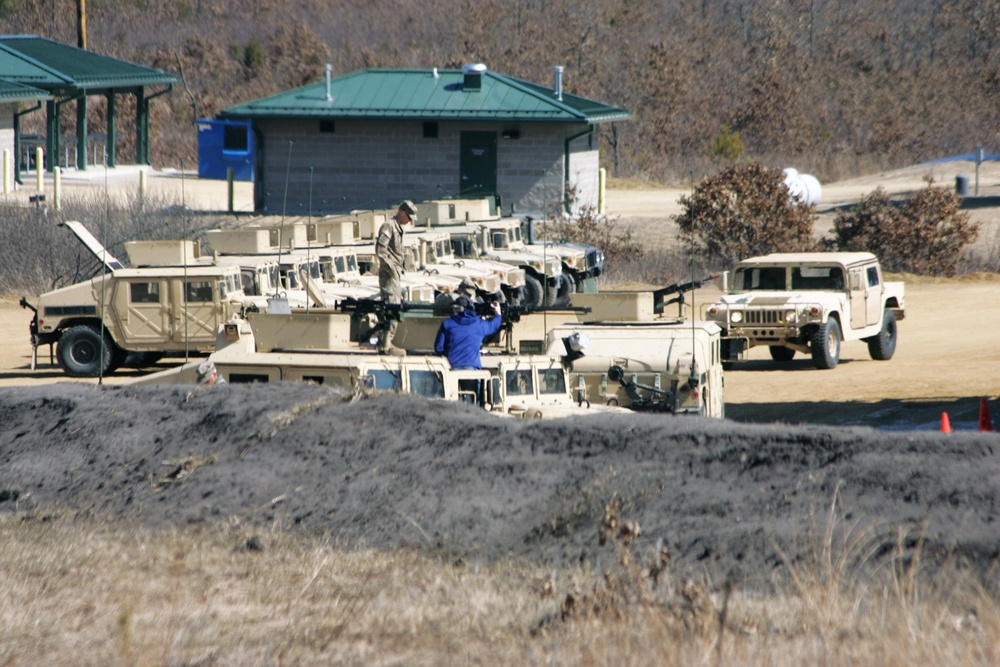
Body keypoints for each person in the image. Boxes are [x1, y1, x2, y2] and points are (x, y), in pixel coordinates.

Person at [374, 200, 417, 355]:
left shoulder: (398, 228)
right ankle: (386, 344)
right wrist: (391, 268)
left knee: (394, 306)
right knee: (392, 306)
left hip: (395, 274)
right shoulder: (389, 226)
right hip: (389, 275)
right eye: (409, 217)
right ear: (402, 212)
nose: (409, 221)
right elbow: (381, 250)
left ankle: (386, 341)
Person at [434, 295, 502, 370]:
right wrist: (498, 314)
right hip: (472, 368)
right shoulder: (479, 324)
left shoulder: (447, 324)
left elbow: (439, 348)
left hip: (451, 367)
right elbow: (494, 326)